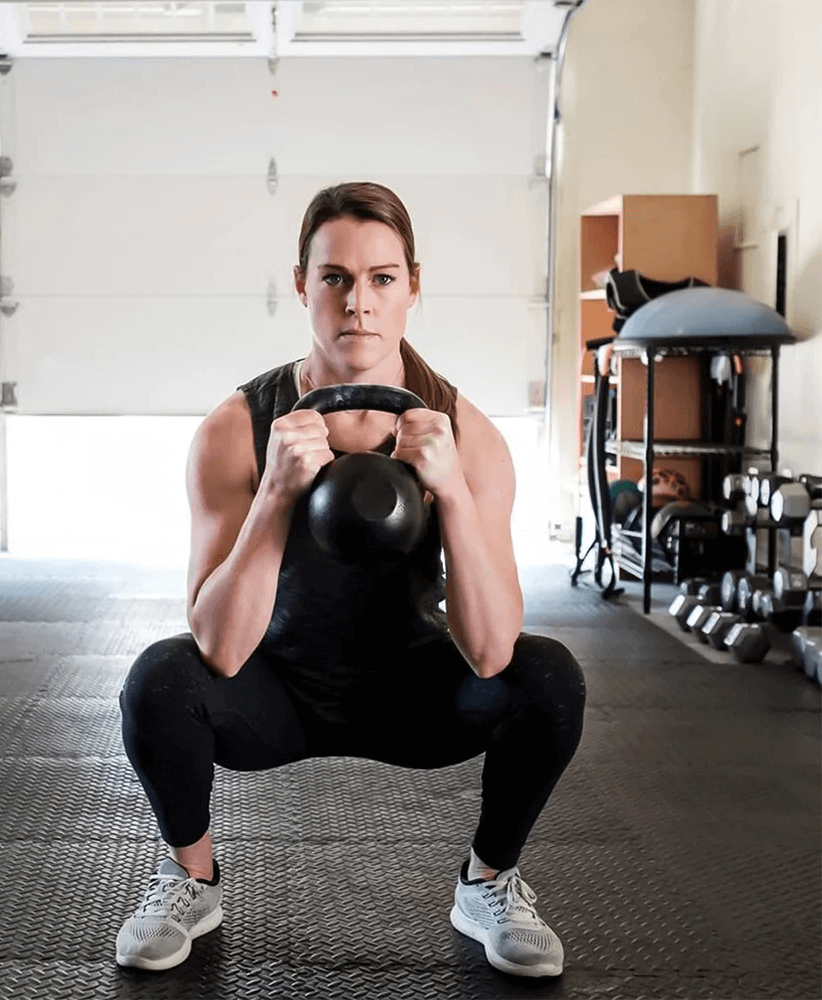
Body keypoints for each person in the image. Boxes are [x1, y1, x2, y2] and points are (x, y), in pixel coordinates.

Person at [117, 182, 586, 978]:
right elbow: (221, 651)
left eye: (381, 278)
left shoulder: (468, 437)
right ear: (301, 285)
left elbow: (493, 649)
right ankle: (190, 879)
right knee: (160, 678)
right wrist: (275, 492)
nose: (358, 304)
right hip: (276, 692)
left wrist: (454, 496)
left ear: (413, 286)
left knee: (548, 676)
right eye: (334, 277)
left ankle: (488, 882)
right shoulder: (234, 430)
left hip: (416, 693)